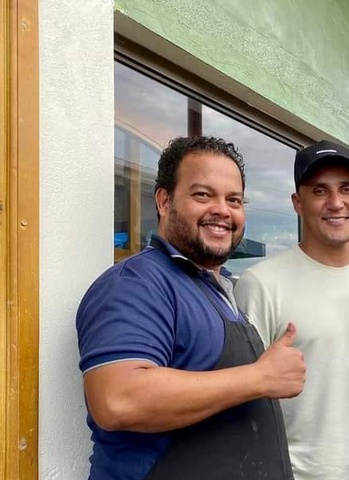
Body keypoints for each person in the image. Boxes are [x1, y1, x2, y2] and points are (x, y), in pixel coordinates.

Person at [76, 136, 306, 480]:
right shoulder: (136, 283)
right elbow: (117, 399)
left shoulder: (220, 289)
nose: (222, 210)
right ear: (164, 201)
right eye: (203, 195)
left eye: (234, 200)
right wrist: (260, 377)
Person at [234, 139, 349, 480]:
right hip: (289, 473)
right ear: (297, 203)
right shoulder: (260, 283)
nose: (336, 203)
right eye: (319, 191)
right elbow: (243, 393)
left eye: (346, 188)